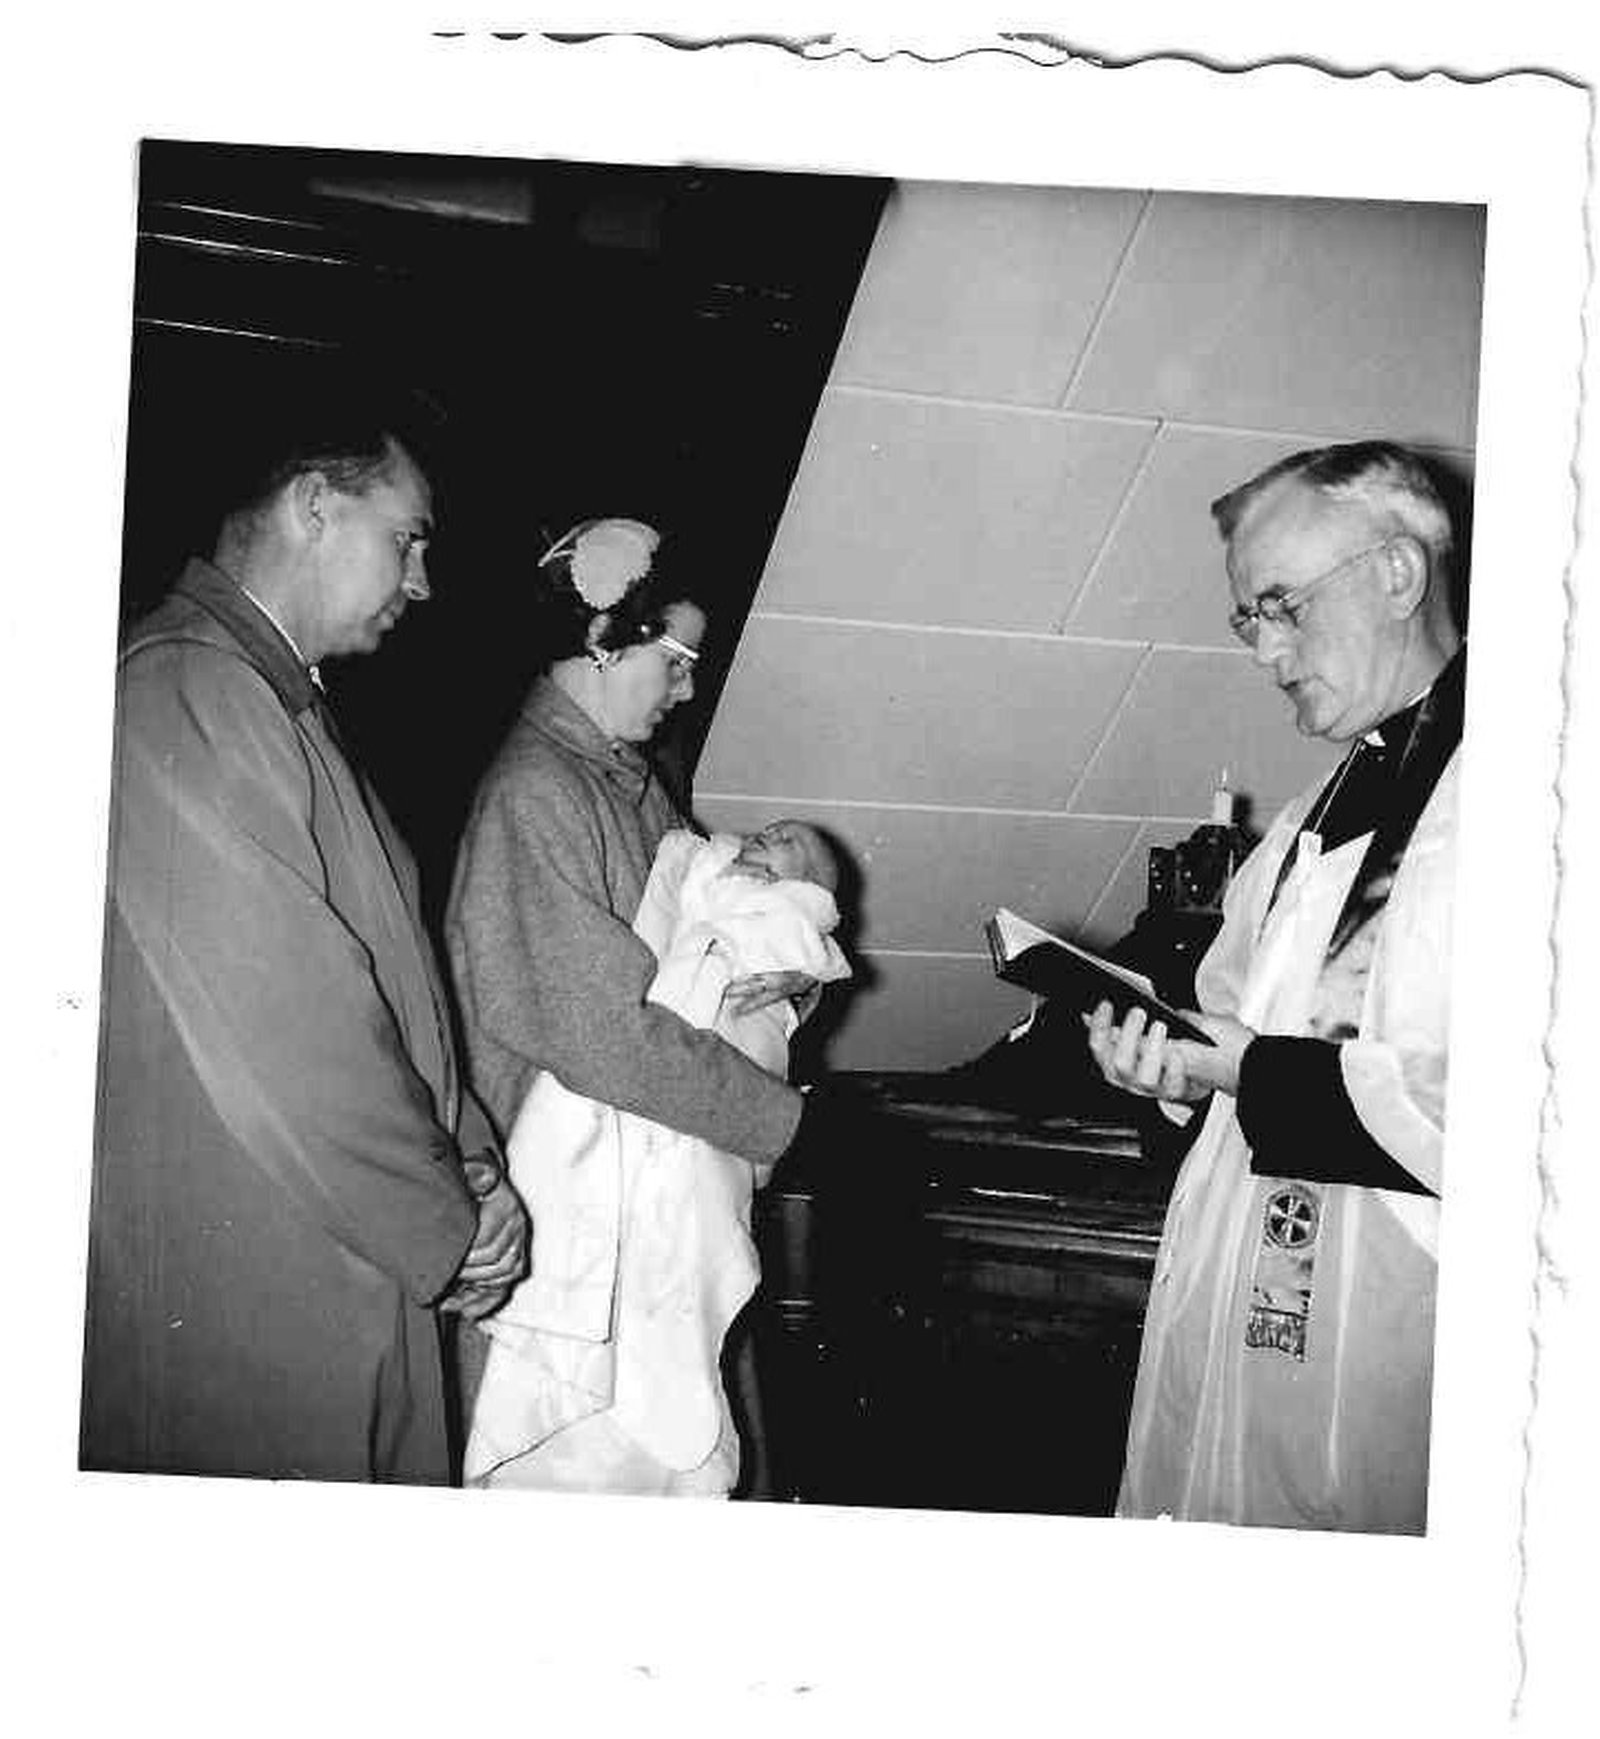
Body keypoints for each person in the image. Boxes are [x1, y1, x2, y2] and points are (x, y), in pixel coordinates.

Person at [81, 395, 529, 1485]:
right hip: (266, 1279)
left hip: (340, 1243)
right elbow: (291, 1030)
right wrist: (451, 1213)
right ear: (314, 507)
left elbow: (394, 990)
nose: (423, 582)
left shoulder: (272, 701)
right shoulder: (183, 686)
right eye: (408, 539)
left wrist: (474, 1158)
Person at [1085, 440, 1465, 1534]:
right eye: (1248, 618)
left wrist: (1244, 1066)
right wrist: (1168, 1070)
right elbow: (1233, 1012)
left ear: (1396, 574)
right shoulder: (1310, 815)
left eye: (1280, 605)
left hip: (1397, 1320)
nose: (1264, 650)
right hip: (1249, 1277)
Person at [446, 518, 830, 1489]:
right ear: (599, 639)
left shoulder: (631, 785)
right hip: (568, 1239)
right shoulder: (534, 795)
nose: (689, 685)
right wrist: (785, 1121)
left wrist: (785, 977)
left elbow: (714, 931)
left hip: (647, 1226)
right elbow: (601, 1033)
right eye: (677, 659)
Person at [465, 817, 852, 1494]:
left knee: (676, 1259)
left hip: (714, 1100)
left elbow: (801, 951)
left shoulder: (788, 909)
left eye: (786, 839)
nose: (762, 835)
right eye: (764, 829)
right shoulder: (567, 805)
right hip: (643, 1081)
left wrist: (802, 972)